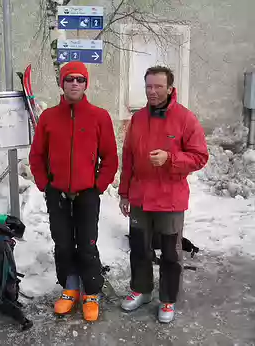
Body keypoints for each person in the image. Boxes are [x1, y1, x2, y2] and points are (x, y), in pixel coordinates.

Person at [29, 61, 119, 322]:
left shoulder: (99, 116)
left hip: (87, 193)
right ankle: (69, 288)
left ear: (86, 84)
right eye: (70, 79)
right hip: (57, 192)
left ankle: (91, 292)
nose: (75, 84)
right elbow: (37, 156)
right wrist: (45, 185)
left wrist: (98, 186)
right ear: (63, 83)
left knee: (87, 243)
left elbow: (110, 156)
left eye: (80, 79)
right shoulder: (49, 117)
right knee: (64, 243)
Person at [118, 66, 209, 323]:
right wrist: (124, 193)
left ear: (170, 89)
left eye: (158, 86)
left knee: (170, 253)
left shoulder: (185, 118)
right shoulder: (137, 119)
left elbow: (200, 156)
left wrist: (170, 158)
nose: (153, 91)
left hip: (170, 199)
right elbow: (128, 159)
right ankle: (142, 290)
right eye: (148, 86)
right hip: (139, 198)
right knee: (139, 248)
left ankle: (167, 300)